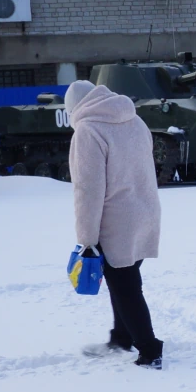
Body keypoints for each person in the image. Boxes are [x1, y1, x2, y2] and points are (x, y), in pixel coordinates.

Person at [67, 78, 164, 369]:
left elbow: (88, 190)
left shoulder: (88, 130)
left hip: (116, 222)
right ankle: (121, 337)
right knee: (124, 281)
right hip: (145, 213)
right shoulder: (134, 120)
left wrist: (87, 237)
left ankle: (150, 350)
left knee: (125, 288)